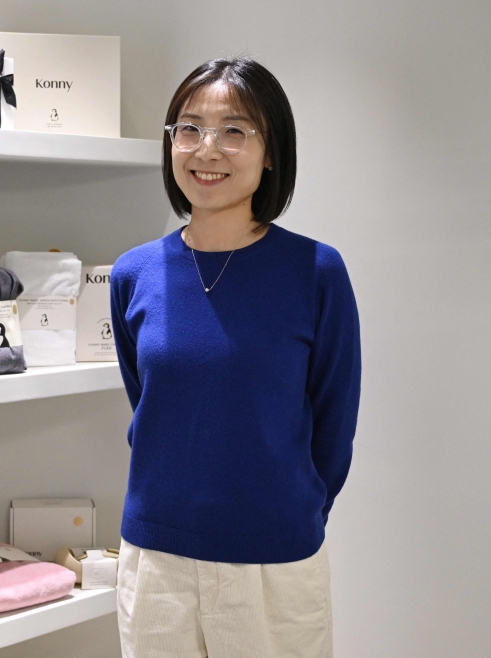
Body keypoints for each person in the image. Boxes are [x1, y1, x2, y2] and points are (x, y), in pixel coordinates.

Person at [110, 58, 361, 658]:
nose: (207, 149)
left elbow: (335, 424)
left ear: (270, 152)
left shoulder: (315, 271)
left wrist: (287, 513)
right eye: (190, 128)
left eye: (233, 131)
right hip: (156, 559)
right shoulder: (133, 273)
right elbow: (151, 404)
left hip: (274, 560)